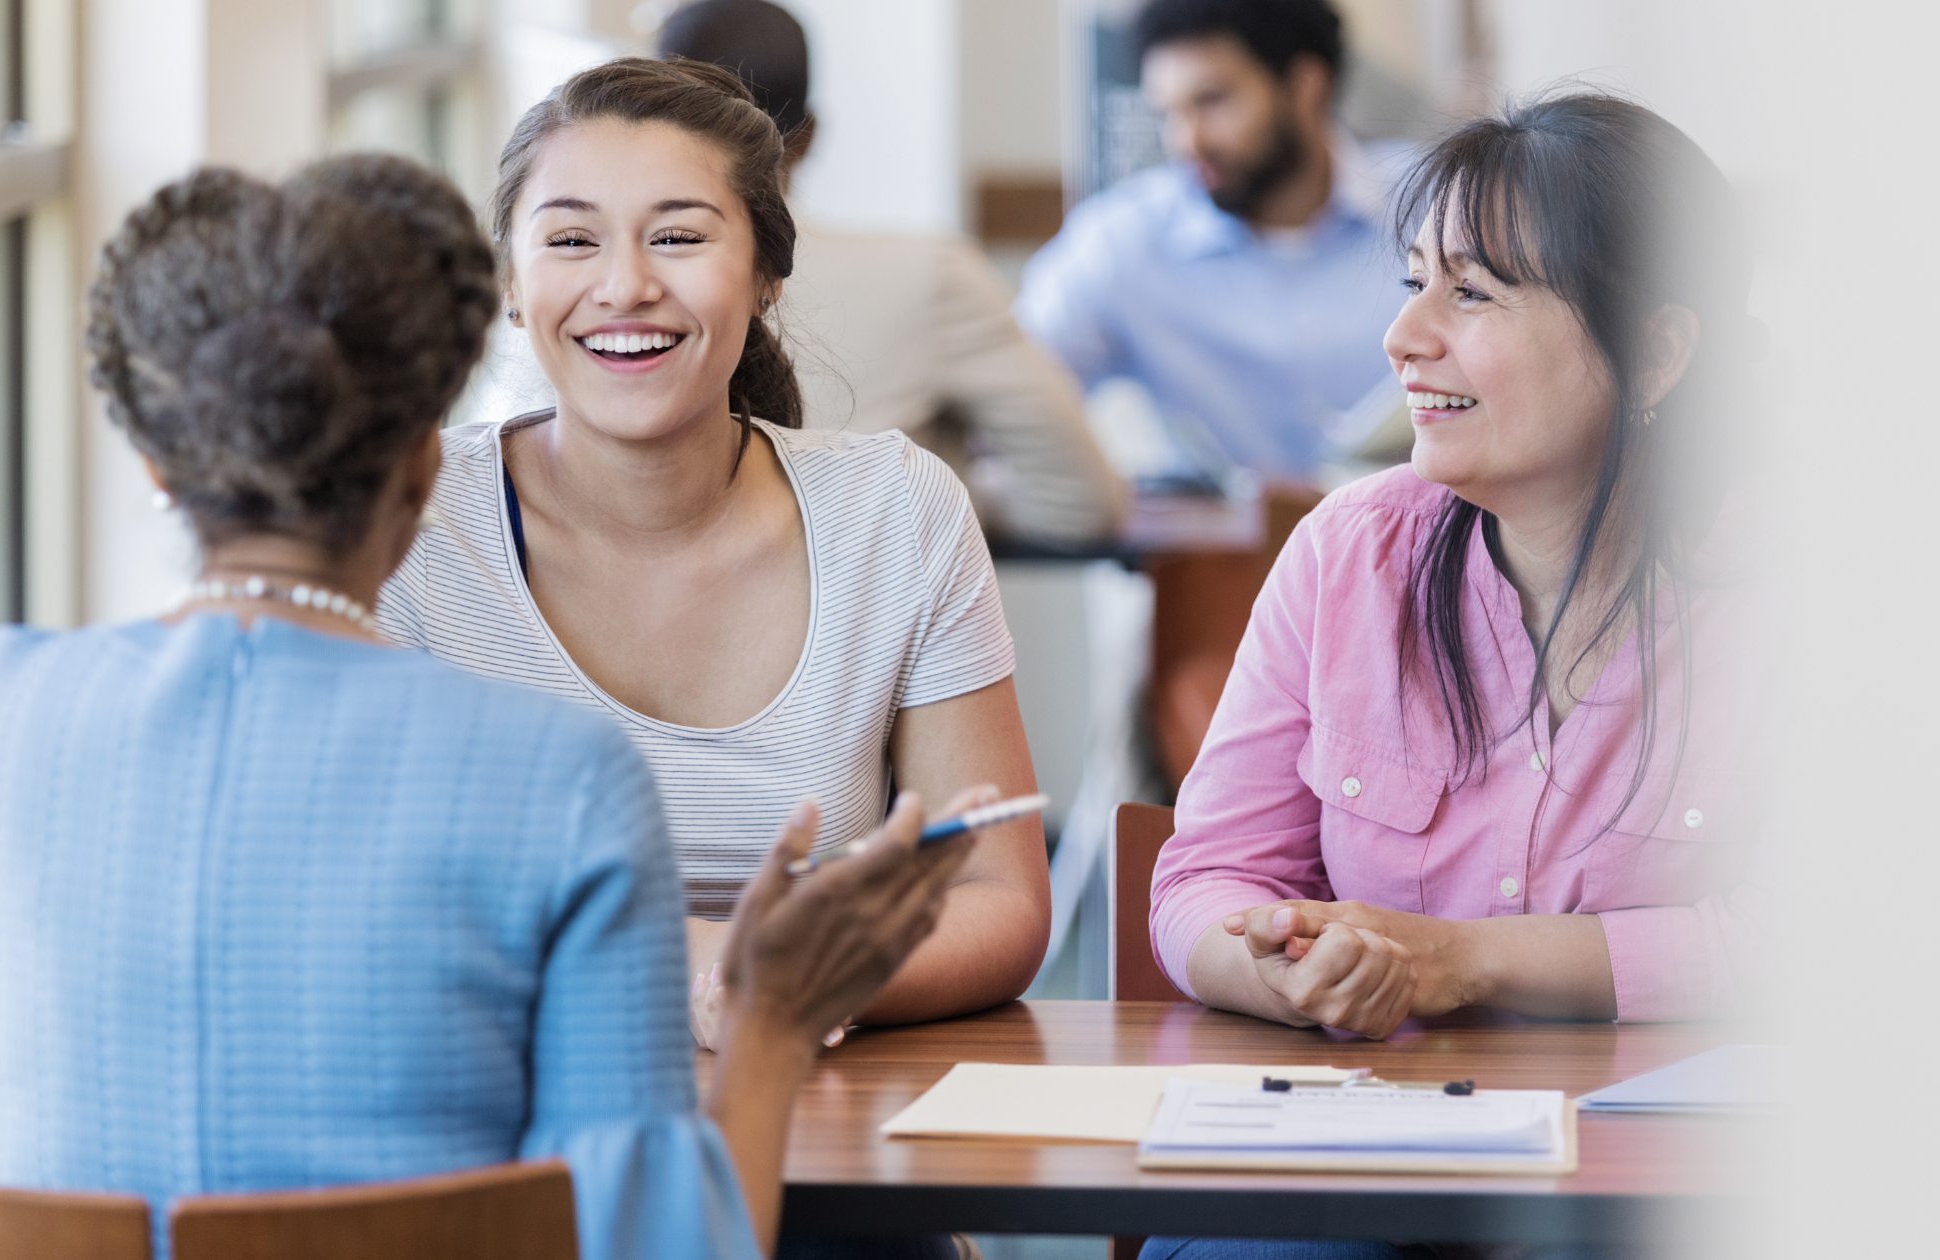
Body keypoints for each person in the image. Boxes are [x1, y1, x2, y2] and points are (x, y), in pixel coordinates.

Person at [0, 155, 981, 1260]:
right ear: (423, 468)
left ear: (154, 464)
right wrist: (768, 1025)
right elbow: (657, 1247)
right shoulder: (558, 777)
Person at [1144, 94, 1767, 1258]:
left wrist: (1457, 960)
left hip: (1654, 1186)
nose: (1403, 340)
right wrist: (1280, 970)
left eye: (1470, 293)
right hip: (1356, 1155)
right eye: (1410, 283)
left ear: (1657, 350)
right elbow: (1206, 875)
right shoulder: (1346, 553)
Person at [378, 59, 1051, 1042]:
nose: (625, 286)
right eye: (570, 240)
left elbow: (999, 895)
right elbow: (374, 904)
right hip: (500, 1132)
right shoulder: (408, 518)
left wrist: (775, 992)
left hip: (827, 1129)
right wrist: (687, 976)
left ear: (766, 275)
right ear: (513, 287)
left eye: (679, 238)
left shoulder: (894, 509)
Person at [656, 0, 1127, 548]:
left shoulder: (599, 300)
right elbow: (1079, 502)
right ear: (809, 134)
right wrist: (924, 503)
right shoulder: (928, 275)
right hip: (871, 625)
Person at [1015, 0, 1409, 481]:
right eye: (1168, 113)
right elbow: (1011, 386)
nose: (1186, 142)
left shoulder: (1441, 207)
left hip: (1432, 544)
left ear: (1305, 85)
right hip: (1223, 553)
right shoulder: (1124, 241)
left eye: (1211, 102)